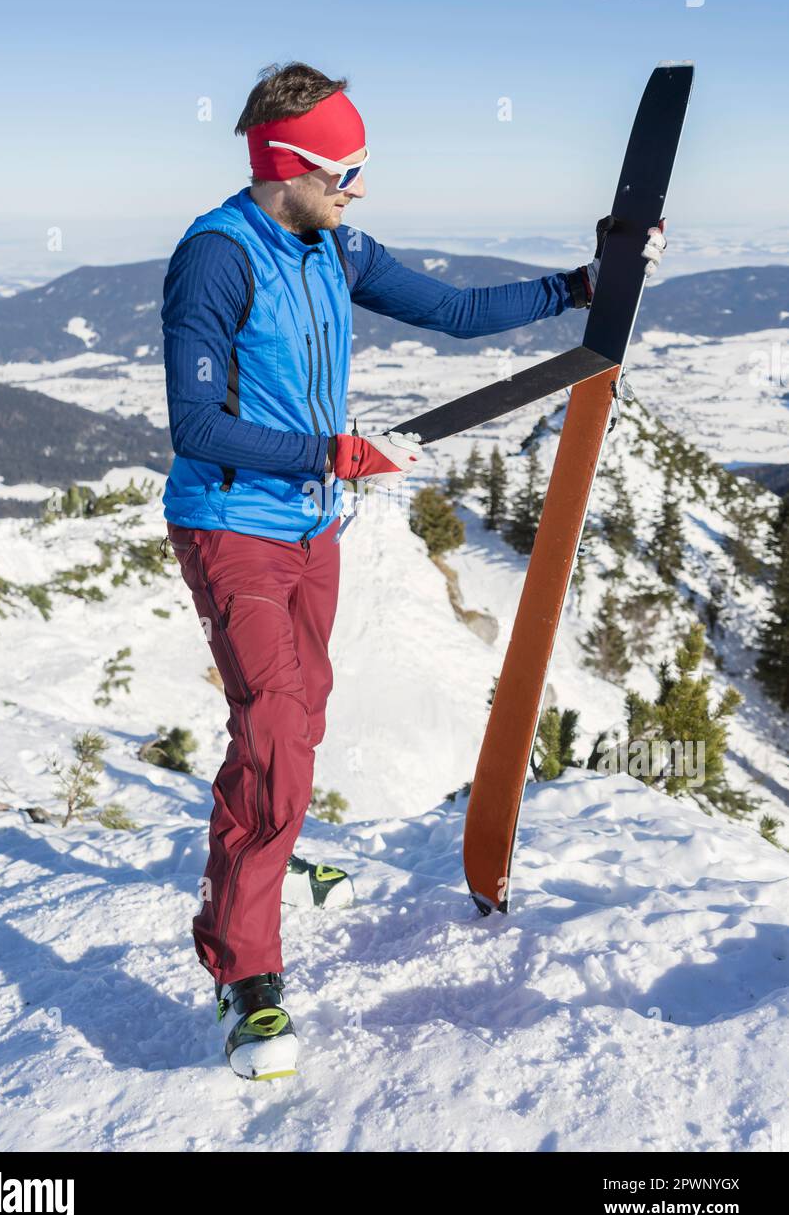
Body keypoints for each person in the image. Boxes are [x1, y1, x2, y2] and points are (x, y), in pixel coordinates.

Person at [161, 61, 667, 1080]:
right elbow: (196, 424)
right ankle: (242, 969)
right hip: (232, 522)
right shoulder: (216, 259)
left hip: (313, 527)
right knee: (271, 725)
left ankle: (255, 863)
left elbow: (451, 311)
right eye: (343, 167)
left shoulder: (330, 242)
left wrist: (582, 286)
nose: (358, 186)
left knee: (296, 722)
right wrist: (337, 453)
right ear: (285, 165)